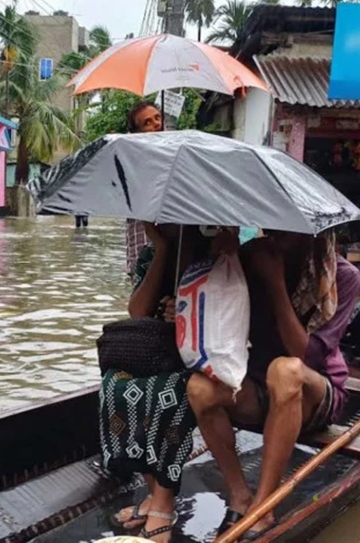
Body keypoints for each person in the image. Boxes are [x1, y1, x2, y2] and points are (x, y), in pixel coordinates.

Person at [187, 230, 360, 539]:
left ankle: (264, 505)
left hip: (314, 391)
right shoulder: (248, 261)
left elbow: (305, 355)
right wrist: (223, 263)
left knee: (285, 370)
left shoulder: (342, 276)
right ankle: (240, 494)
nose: (276, 235)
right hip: (258, 384)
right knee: (199, 388)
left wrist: (276, 283)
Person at [107, 223, 239, 542]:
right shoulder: (153, 254)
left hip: (206, 357)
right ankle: (153, 490)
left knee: (169, 391)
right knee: (117, 387)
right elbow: (137, 311)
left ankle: (164, 502)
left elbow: (232, 313)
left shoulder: (219, 252)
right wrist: (163, 252)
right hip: (160, 354)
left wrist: (188, 312)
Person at [124, 101, 164, 277]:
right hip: (144, 238)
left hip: (174, 241)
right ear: (137, 133)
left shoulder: (177, 153)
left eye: (157, 118)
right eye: (147, 123)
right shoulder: (132, 160)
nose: (156, 124)